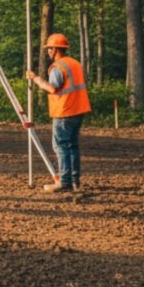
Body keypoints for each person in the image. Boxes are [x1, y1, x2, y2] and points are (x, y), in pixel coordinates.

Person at [26, 33, 91, 193]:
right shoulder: (74, 63)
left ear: (54, 49)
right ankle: (74, 181)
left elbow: (53, 87)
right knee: (72, 146)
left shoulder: (58, 67)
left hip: (64, 111)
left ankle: (64, 182)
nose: (48, 51)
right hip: (78, 109)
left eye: (49, 48)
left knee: (61, 146)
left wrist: (35, 79)